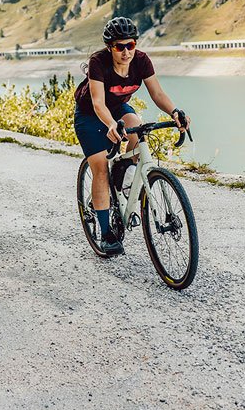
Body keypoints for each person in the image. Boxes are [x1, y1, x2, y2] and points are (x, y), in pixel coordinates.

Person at [73, 16, 191, 257]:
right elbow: (98, 103)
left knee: (137, 129)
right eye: (120, 47)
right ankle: (106, 234)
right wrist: (110, 125)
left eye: (131, 45)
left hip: (117, 109)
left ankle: (123, 173)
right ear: (110, 47)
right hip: (90, 114)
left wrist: (175, 112)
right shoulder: (98, 62)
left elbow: (157, 93)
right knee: (100, 169)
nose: (126, 52)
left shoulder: (141, 61)